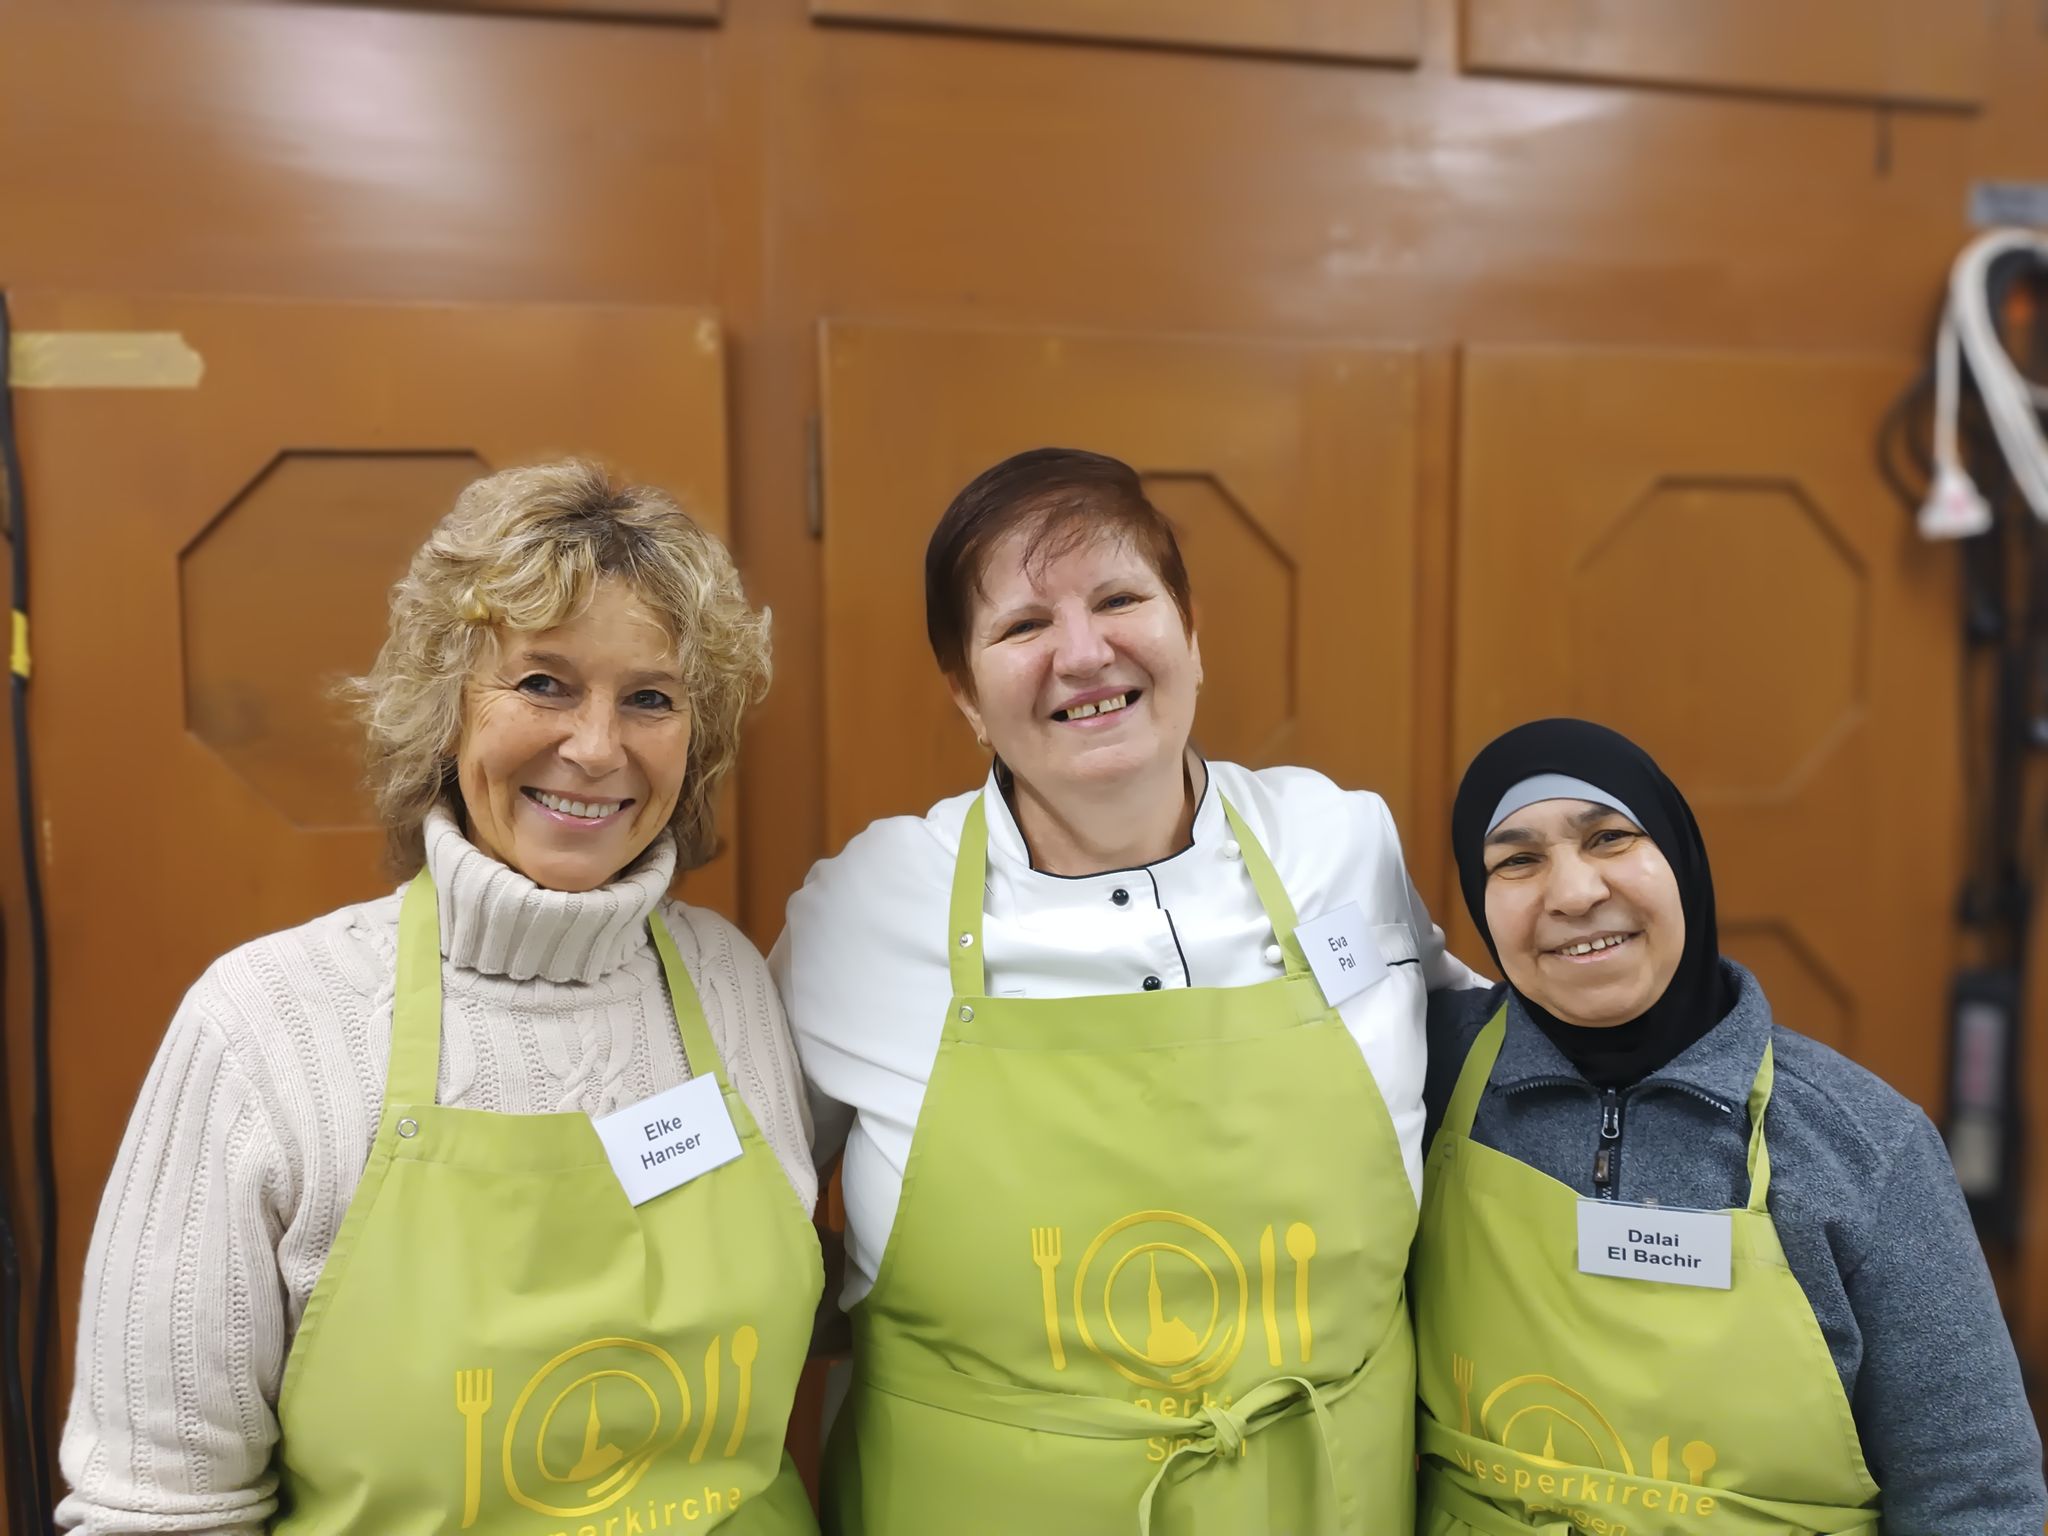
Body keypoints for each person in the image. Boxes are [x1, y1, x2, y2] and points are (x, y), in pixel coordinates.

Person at [59, 462, 823, 1535]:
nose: (596, 747)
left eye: (649, 698)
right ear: (445, 707)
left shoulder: (730, 983)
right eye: (543, 683)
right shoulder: (267, 1025)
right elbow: (161, 1507)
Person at [773, 447, 1479, 1534]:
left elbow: (1496, 1080)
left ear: (1190, 632)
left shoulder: (1341, 844)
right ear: (964, 692)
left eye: (1118, 600)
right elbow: (740, 1215)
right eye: (1023, 625)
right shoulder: (867, 909)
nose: (1083, 653)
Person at [1414, 716, 2047, 1536]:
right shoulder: (1423, 1070)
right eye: (1517, 860)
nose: (1572, 893)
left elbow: (1974, 1496)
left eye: (1609, 838)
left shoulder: (1862, 1146)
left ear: (1682, 859)